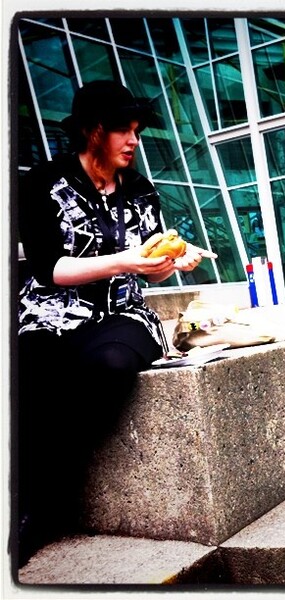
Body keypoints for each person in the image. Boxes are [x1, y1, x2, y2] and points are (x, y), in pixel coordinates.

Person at [14, 80, 217, 568]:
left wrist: (175, 259)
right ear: (91, 131)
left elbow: (153, 252)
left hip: (125, 313)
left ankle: (44, 501)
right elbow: (50, 269)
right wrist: (127, 259)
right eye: (123, 131)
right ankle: (31, 502)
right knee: (35, 361)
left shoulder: (141, 189)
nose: (134, 141)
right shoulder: (44, 182)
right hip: (52, 310)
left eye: (138, 131)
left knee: (108, 364)